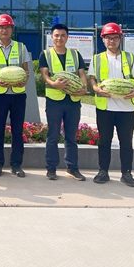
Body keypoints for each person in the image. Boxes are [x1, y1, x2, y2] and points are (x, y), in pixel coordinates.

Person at [89, 22, 134, 188]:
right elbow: (92, 79)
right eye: (108, 38)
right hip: (105, 108)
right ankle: (103, 171)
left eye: (115, 37)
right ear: (103, 40)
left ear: (120, 38)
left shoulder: (130, 58)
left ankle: (126, 173)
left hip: (126, 108)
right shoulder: (97, 59)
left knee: (126, 142)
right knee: (104, 142)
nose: (111, 41)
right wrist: (96, 88)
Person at [39, 24, 88, 181]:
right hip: (54, 100)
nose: (59, 38)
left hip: (73, 101)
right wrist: (54, 84)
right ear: (52, 37)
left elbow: (81, 73)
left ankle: (72, 168)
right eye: (56, 35)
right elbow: (44, 75)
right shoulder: (46, 54)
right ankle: (51, 168)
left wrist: (84, 88)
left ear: (67, 37)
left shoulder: (75, 54)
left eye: (62, 35)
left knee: (71, 136)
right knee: (53, 135)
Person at [0, 14, 30, 178]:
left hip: (18, 94)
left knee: (17, 131)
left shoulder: (21, 47)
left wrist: (23, 81)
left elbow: (26, 71)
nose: (4, 30)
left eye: (7, 27)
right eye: (1, 27)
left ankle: (16, 164)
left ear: (12, 29)